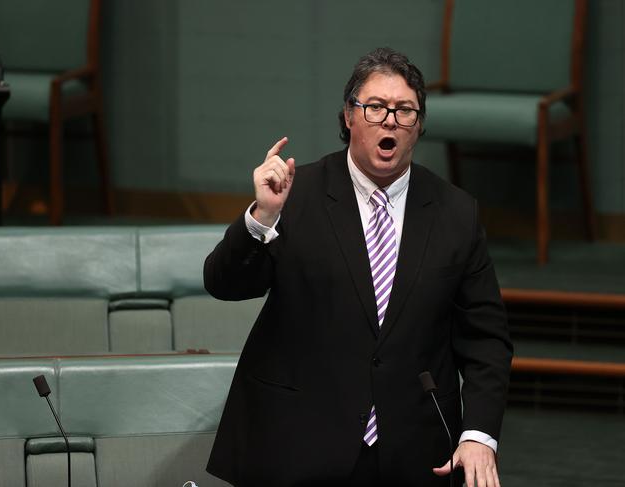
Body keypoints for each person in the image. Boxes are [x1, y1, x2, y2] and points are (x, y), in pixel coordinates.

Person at [204, 47, 513, 487]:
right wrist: (263, 217)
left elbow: (487, 340)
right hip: (296, 440)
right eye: (375, 108)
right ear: (349, 117)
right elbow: (224, 283)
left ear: (419, 125)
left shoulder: (455, 213)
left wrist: (479, 434)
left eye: (404, 110)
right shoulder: (297, 194)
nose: (390, 120)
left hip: (412, 450)